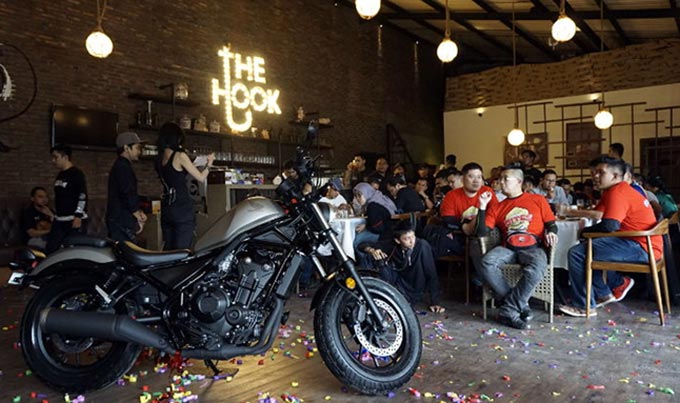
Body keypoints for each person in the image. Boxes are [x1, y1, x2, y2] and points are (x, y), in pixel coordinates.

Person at [559, 157, 660, 317]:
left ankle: (584, 306)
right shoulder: (614, 191)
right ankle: (604, 293)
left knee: (577, 253)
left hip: (641, 246)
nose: (595, 176)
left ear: (615, 176)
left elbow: (609, 226)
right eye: (593, 172)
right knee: (589, 248)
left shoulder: (618, 193)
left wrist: (584, 232)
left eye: (601, 173)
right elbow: (600, 214)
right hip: (642, 242)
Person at [475, 166, 558, 329]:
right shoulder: (497, 206)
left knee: (538, 266)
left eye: (506, 179)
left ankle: (509, 309)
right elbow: (481, 232)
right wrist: (482, 206)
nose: (501, 182)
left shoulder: (538, 200)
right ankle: (519, 304)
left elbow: (551, 224)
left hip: (533, 247)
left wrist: (552, 233)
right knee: (486, 262)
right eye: (500, 179)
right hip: (508, 248)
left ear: (519, 181)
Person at [360, 221, 444, 313]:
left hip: (415, 287)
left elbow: (431, 274)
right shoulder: (393, 245)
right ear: (397, 240)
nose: (412, 241)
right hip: (398, 284)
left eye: (413, 236)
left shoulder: (422, 246)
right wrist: (372, 250)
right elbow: (361, 245)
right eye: (407, 239)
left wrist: (435, 302)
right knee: (374, 258)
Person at [156, 122, 215, 250]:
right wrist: (209, 164)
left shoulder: (159, 158)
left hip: (167, 208)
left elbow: (174, 174)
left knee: (169, 249)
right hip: (182, 209)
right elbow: (201, 177)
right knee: (182, 250)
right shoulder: (180, 156)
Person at [46, 144, 89, 254]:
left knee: (73, 251)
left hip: (73, 219)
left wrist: (78, 216)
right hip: (60, 219)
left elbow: (82, 196)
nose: (53, 160)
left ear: (65, 157)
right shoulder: (60, 175)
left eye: (55, 157)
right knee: (50, 249)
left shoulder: (77, 174)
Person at [106, 132, 148, 243]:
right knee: (126, 251)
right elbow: (127, 192)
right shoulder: (122, 167)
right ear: (126, 148)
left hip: (119, 218)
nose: (139, 151)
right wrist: (137, 213)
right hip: (121, 220)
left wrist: (137, 212)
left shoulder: (121, 165)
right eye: (137, 148)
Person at [352, 182, 397, 268]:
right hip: (390, 231)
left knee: (356, 241)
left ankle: (364, 266)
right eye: (356, 196)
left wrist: (366, 226)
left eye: (359, 196)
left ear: (366, 193)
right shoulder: (378, 198)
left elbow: (377, 228)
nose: (357, 199)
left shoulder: (372, 205)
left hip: (384, 234)